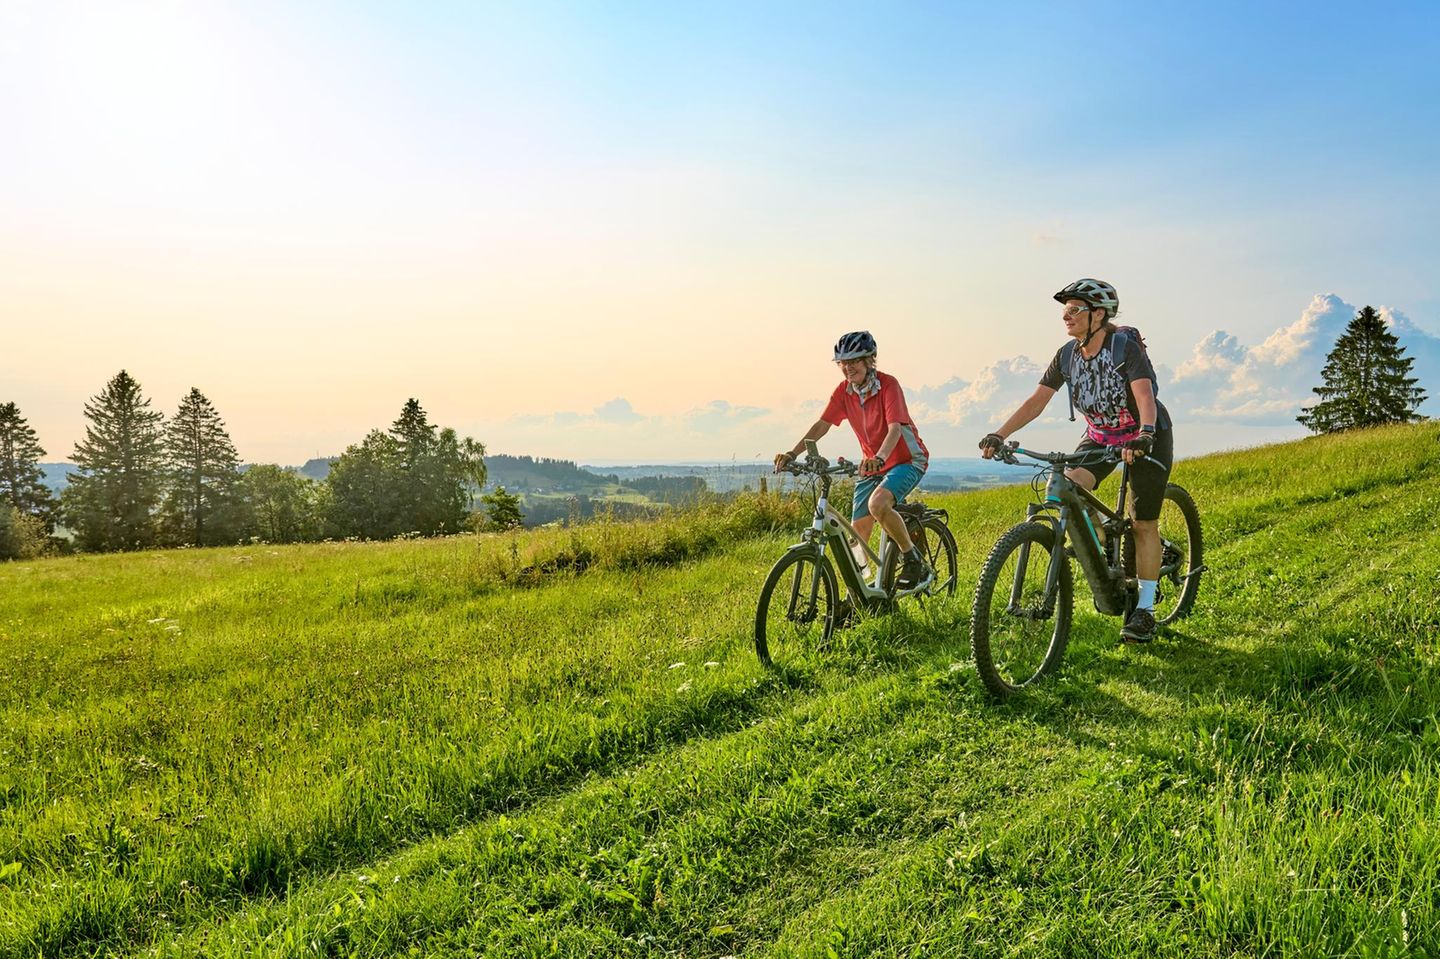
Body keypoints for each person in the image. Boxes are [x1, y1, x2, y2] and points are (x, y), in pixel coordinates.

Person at [978, 278, 1174, 643]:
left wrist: (1145, 433)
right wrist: (999, 434)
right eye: (1064, 311)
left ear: (1098, 314)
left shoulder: (1124, 347)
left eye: (1074, 310)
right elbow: (1036, 401)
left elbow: (1144, 394)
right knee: (1070, 482)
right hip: (1100, 436)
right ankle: (1102, 542)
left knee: (1143, 523)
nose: (1066, 317)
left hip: (1144, 436)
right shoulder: (1067, 355)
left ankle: (1145, 609)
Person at [775, 331, 933, 593]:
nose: (848, 368)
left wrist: (879, 457)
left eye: (854, 361)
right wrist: (793, 453)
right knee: (857, 537)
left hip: (907, 459)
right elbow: (822, 424)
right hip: (871, 466)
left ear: (871, 360)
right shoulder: (843, 392)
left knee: (878, 504)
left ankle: (911, 557)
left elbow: (894, 429)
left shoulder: (888, 386)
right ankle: (862, 595)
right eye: (842, 363)